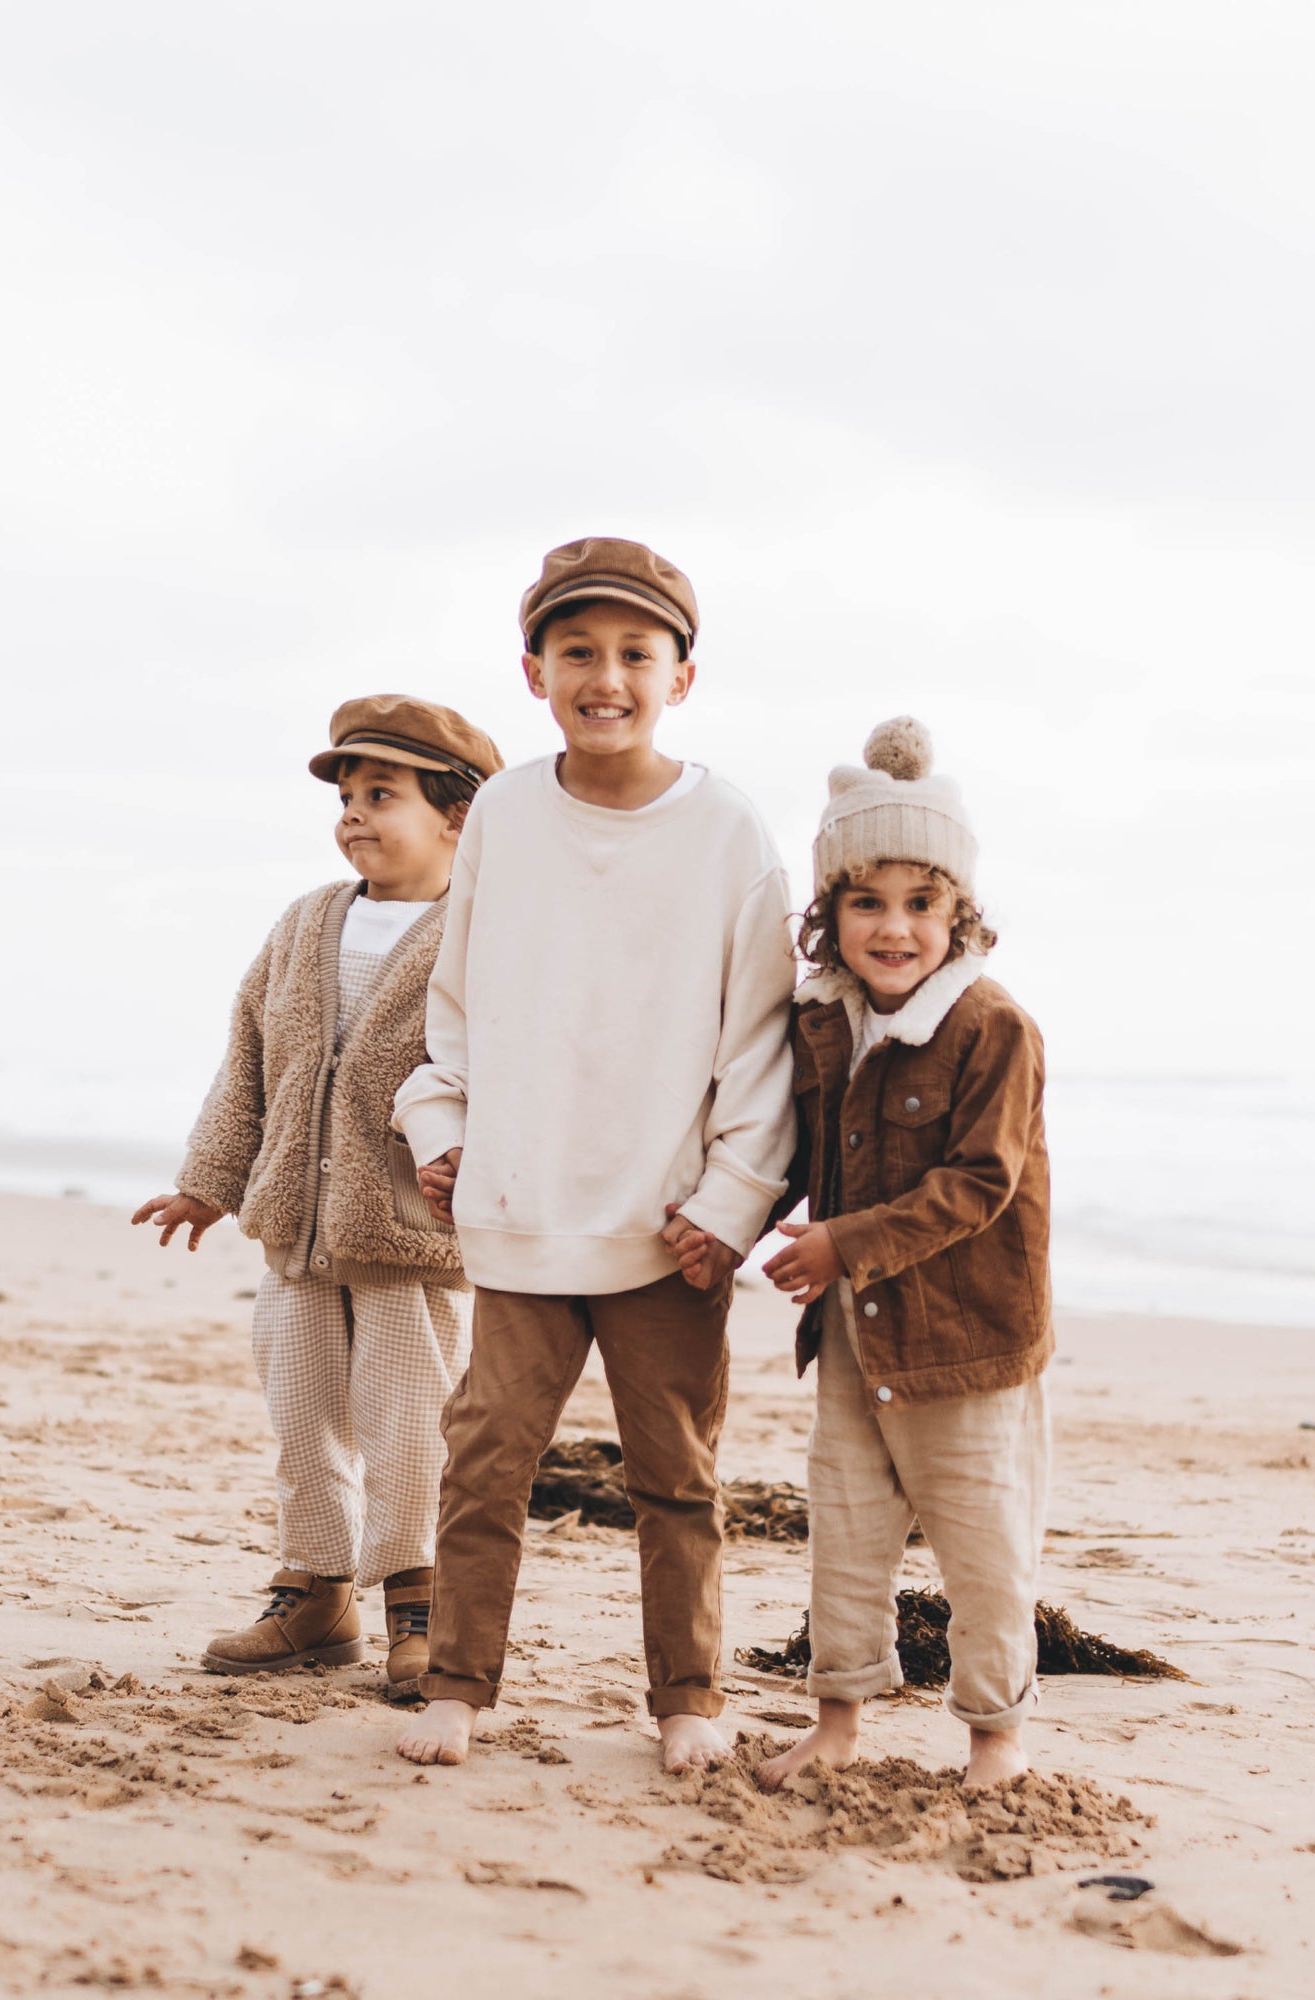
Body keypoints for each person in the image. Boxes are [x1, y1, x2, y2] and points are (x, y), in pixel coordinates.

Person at [390, 536, 796, 1773]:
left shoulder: (727, 831)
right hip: (518, 1203)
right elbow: (454, 998)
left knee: (675, 1477)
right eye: (577, 651)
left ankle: (687, 1700)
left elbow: (762, 1035)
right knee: (484, 1459)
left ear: (682, 675)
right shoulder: (506, 811)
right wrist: (442, 1124)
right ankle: (459, 1684)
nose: (604, 675)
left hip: (669, 1221)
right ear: (532, 670)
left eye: (634, 652)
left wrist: (731, 1197)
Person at [132, 695, 503, 1684]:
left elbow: (509, 1075)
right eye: (346, 795)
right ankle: (313, 1592)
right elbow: (249, 1059)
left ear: (457, 815)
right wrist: (208, 1183)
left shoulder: (480, 934)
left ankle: (417, 1605)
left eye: (382, 794)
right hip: (293, 1231)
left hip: (407, 1235)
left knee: (406, 1427)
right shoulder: (304, 922)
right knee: (301, 1418)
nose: (353, 813)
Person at [755, 717, 1054, 1792]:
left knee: (981, 1542)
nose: (894, 927)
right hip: (849, 1327)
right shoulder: (824, 1022)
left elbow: (981, 1181)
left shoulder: (989, 1027)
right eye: (866, 900)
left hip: (967, 1333)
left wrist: (844, 1242)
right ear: (828, 914)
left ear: (957, 911)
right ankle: (835, 1720)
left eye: (921, 902)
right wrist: (721, 1216)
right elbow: (788, 1152)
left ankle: (994, 1738)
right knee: (844, 1517)